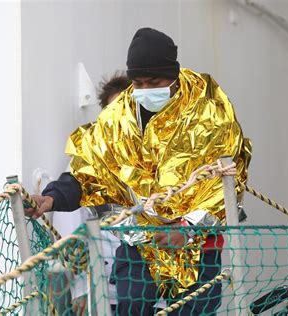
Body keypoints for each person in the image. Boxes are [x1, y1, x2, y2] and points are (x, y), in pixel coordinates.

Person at [27, 27, 251, 315]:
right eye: (139, 83)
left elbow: (227, 179)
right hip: (139, 242)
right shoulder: (118, 116)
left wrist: (189, 228)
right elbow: (91, 167)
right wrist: (53, 198)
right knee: (132, 306)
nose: (145, 90)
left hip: (197, 247)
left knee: (193, 310)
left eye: (154, 82)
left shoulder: (210, 111)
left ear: (174, 75)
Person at [49, 73, 131, 315]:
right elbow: (67, 232)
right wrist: (80, 290)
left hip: (151, 293)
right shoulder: (85, 163)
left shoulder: (158, 159)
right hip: (99, 293)